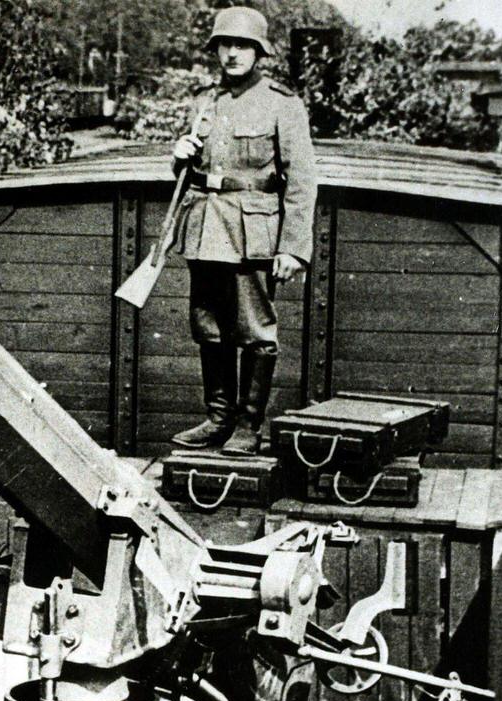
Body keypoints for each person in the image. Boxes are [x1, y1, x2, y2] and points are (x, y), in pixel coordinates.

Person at [169, 6, 317, 454]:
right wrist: (178, 154)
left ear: (258, 51)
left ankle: (248, 427)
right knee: (209, 328)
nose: (231, 54)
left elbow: (302, 179)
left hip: (251, 231)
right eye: (224, 45)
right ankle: (218, 419)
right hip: (205, 226)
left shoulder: (281, 103)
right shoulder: (206, 101)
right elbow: (193, 167)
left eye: (241, 45)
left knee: (255, 331)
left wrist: (293, 248)